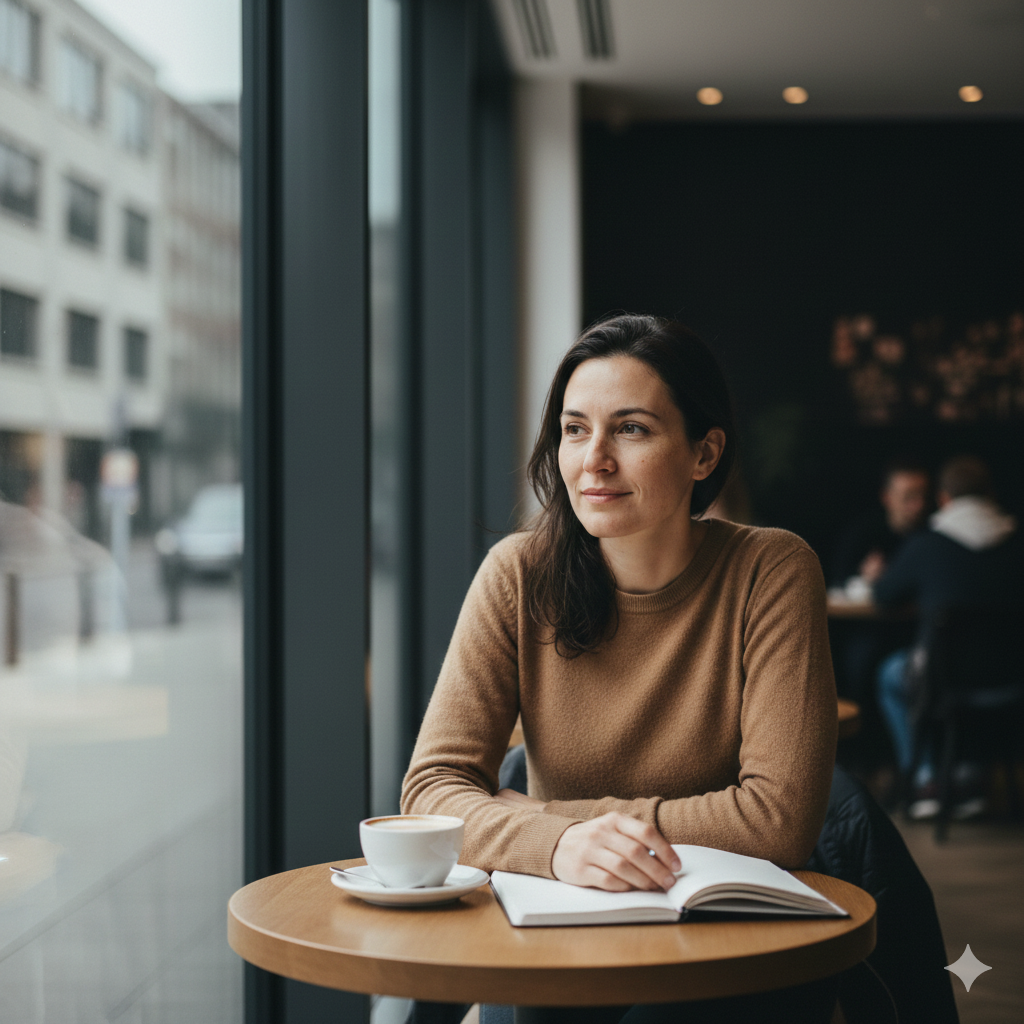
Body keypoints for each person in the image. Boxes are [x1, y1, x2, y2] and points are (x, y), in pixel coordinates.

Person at [401, 315, 839, 1023]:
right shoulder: (517, 573)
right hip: (563, 925)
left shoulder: (771, 569)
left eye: (631, 429)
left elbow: (777, 820)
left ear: (704, 454)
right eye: (575, 430)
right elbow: (429, 793)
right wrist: (560, 846)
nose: (594, 461)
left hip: (725, 938)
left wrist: (545, 819)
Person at [874, 455, 1022, 819]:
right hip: (1011, 679)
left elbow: (884, 595)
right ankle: (971, 777)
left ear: (943, 499)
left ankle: (927, 779)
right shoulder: (1017, 544)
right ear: (991, 495)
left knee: (892, 673)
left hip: (942, 678)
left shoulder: (927, 544)